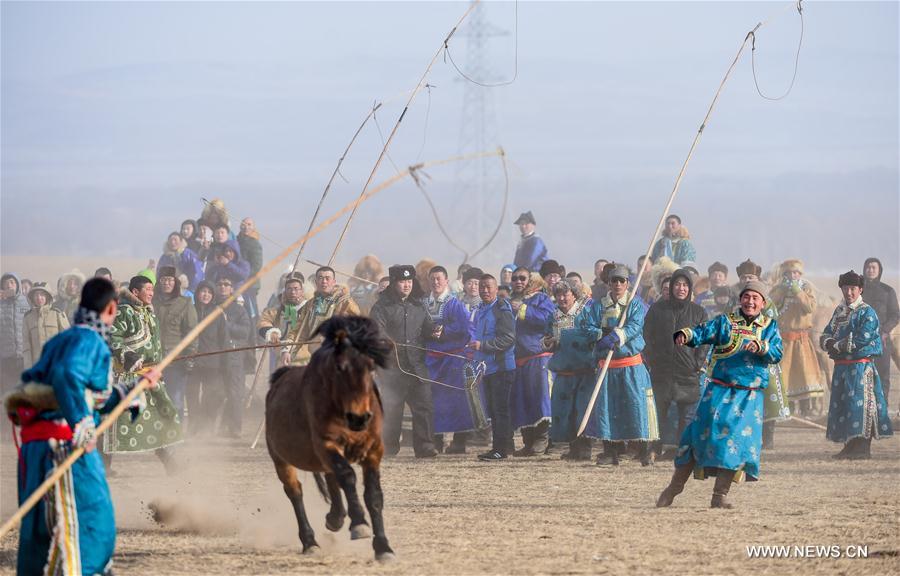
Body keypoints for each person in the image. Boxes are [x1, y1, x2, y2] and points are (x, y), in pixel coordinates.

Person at [8, 277, 162, 576]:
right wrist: (81, 421)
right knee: (90, 522)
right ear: (112, 308)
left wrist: (132, 390)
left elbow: (83, 390)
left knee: (41, 530)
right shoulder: (88, 339)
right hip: (63, 446)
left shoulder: (62, 340)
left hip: (39, 447)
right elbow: (68, 377)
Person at [657, 280, 783, 509]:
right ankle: (674, 488)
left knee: (734, 444)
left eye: (755, 298)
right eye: (747, 297)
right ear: (740, 299)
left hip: (749, 398)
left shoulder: (770, 327)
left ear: (763, 303)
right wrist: (687, 334)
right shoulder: (726, 322)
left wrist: (762, 347)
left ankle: (719, 495)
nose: (750, 302)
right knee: (697, 437)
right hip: (718, 391)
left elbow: (777, 353)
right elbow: (705, 332)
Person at [104, 275, 182, 474]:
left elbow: (155, 345)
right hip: (127, 379)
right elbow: (113, 336)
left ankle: (170, 462)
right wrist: (127, 354)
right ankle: (103, 467)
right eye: (148, 289)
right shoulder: (124, 311)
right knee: (112, 423)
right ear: (135, 292)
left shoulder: (149, 313)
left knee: (157, 417)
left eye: (152, 289)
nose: (151, 293)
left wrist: (159, 365)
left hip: (150, 376)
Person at [588, 265, 659, 466]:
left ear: (628, 283)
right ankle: (610, 452)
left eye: (622, 280)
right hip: (608, 366)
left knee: (637, 407)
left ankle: (645, 451)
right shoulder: (598, 306)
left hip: (631, 365)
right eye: (614, 281)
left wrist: (618, 335)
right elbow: (589, 326)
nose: (618, 284)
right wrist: (601, 336)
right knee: (607, 407)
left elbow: (636, 326)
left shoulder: (635, 305)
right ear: (609, 283)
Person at [821, 271, 893, 459]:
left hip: (860, 367)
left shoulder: (867, 312)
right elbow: (827, 333)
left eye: (853, 288)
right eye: (846, 288)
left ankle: (862, 449)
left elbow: (863, 338)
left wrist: (837, 345)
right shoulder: (839, 311)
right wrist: (830, 343)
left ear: (860, 289)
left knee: (860, 406)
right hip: (842, 368)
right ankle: (849, 446)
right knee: (844, 405)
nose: (849, 292)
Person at [370, 264, 438, 458]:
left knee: (424, 407)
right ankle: (389, 447)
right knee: (392, 409)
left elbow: (427, 327)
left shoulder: (418, 304)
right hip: (393, 368)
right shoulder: (382, 307)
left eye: (409, 281)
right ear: (393, 283)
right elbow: (376, 331)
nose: (407, 285)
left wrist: (435, 331)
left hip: (417, 367)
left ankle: (425, 446)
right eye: (402, 281)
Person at [644, 269, 708, 458]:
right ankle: (654, 449)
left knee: (686, 416)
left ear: (690, 288)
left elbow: (704, 341)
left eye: (685, 285)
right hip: (662, 371)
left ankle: (683, 451)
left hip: (688, 371)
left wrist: (697, 363)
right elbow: (647, 335)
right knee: (658, 414)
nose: (681, 288)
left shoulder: (698, 312)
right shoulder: (658, 309)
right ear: (671, 287)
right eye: (678, 284)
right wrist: (652, 358)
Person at [424, 265, 475, 454]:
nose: (435, 282)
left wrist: (443, 331)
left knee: (456, 400)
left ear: (446, 280)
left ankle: (459, 442)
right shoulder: (423, 303)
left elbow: (465, 329)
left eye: (439, 278)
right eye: (432, 279)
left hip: (452, 359)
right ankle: (435, 441)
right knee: (432, 400)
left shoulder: (455, 304)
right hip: (430, 359)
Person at [545, 279, 598, 460]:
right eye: (558, 295)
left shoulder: (586, 312)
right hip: (564, 371)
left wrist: (566, 338)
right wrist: (548, 343)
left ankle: (585, 449)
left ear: (573, 295)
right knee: (564, 410)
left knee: (582, 409)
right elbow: (547, 338)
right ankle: (573, 448)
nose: (561, 298)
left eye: (565, 294)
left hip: (584, 370)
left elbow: (592, 334)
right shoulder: (553, 316)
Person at [769, 259, 825, 417]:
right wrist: (782, 291)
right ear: (784, 274)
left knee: (804, 375)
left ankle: (806, 409)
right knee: (784, 376)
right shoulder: (778, 289)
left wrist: (798, 292)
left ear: (800, 274)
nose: (793, 276)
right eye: (789, 273)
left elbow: (810, 307)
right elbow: (770, 306)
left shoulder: (806, 288)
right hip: (784, 340)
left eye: (796, 273)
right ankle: (788, 410)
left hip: (801, 340)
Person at [469, 274, 516, 461]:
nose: (485, 290)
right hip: (487, 368)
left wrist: (483, 346)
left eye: (489, 287)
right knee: (494, 410)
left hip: (502, 368)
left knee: (500, 410)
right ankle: (504, 446)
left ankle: (500, 449)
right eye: (482, 287)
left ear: (497, 289)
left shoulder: (501, 308)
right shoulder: (481, 309)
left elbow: (508, 338)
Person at [509, 268, 555, 456]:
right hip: (518, 358)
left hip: (538, 356)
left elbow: (547, 319)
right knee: (522, 401)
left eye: (522, 278)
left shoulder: (541, 299)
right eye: (514, 278)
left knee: (540, 399)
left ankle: (541, 439)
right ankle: (528, 442)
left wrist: (522, 309)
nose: (518, 281)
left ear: (531, 280)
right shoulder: (511, 300)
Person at [282, 266, 360, 366]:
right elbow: (299, 331)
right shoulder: (310, 305)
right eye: (320, 278)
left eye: (327, 278)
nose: (324, 281)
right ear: (316, 282)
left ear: (334, 281)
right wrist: (288, 350)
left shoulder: (345, 303)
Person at [152, 267, 198, 417]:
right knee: (154, 402)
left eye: (170, 280)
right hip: (152, 361)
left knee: (176, 401)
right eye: (163, 279)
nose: (167, 283)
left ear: (176, 282)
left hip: (176, 361)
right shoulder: (152, 302)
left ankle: (176, 438)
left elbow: (191, 333)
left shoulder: (185, 303)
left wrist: (190, 357)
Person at [210, 277, 252, 438]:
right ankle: (210, 428)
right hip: (214, 355)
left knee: (235, 394)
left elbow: (245, 332)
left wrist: (225, 323)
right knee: (215, 392)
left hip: (234, 356)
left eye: (226, 284)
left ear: (231, 288)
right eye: (219, 283)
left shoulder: (239, 309)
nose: (222, 287)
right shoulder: (210, 306)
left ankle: (234, 428)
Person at [187, 280, 227, 435]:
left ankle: (207, 426)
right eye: (203, 291)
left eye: (209, 292)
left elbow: (223, 339)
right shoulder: (190, 310)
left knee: (211, 395)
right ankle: (193, 427)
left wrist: (224, 362)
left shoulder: (218, 314)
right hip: (193, 361)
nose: (206, 295)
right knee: (192, 396)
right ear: (197, 293)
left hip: (212, 362)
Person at [861, 257, 899, 405]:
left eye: (873, 268)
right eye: (868, 267)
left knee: (883, 375)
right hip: (861, 341)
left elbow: (895, 315)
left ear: (879, 270)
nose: (870, 270)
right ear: (864, 269)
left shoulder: (888, 291)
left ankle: (882, 408)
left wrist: (885, 331)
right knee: (861, 375)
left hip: (881, 339)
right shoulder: (857, 290)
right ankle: (863, 410)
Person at [258, 272, 306, 368]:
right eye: (289, 289)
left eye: (296, 289)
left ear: (302, 290)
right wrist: (271, 332)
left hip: (306, 360)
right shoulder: (278, 310)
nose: (293, 292)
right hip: (283, 360)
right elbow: (263, 321)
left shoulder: (311, 308)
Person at [22, 282, 70, 368]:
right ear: (32, 297)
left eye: (42, 294)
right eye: (36, 295)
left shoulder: (57, 313)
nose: (39, 298)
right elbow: (26, 345)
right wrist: (28, 367)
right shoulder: (27, 318)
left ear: (48, 296)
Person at [1, 273, 30, 391]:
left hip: (24, 355)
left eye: (12, 282)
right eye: (6, 283)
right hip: (5, 357)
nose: (9, 285)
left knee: (24, 389)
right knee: (7, 390)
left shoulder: (28, 302)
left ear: (18, 285)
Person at [237, 217, 263, 320]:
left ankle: (256, 332)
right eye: (244, 224)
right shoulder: (237, 241)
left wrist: (243, 275)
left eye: (249, 224)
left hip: (250, 283)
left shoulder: (255, 244)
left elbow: (257, 266)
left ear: (253, 227)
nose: (246, 227)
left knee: (251, 310)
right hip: (237, 282)